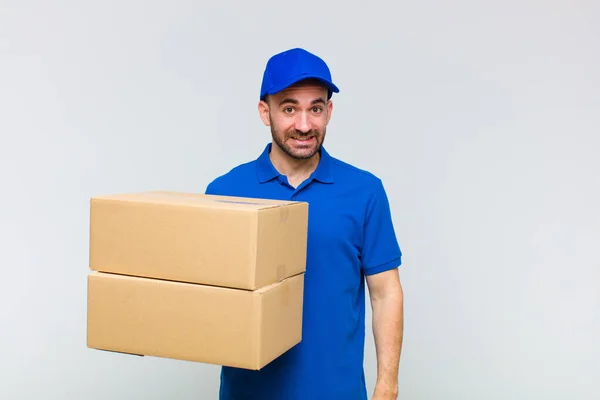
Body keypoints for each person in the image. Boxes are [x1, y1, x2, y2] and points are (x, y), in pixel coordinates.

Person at [205, 47, 404, 400]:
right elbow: (207, 295)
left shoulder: (364, 191)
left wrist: (386, 386)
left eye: (315, 108)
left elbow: (385, 293)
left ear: (329, 111)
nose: (303, 124)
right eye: (289, 108)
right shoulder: (224, 191)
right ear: (265, 113)